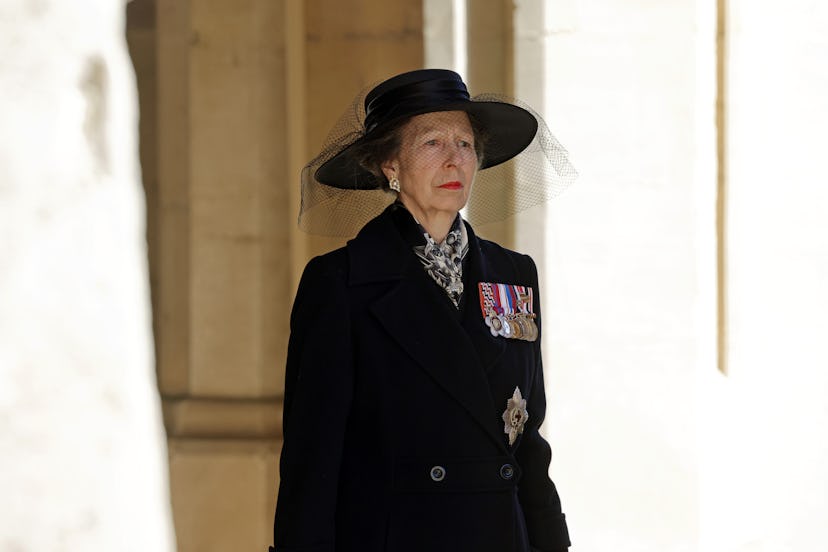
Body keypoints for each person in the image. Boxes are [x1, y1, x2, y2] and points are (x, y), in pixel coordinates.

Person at [268, 69, 575, 552]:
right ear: (389, 163)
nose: (455, 160)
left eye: (466, 144)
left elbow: (529, 446)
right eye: (432, 142)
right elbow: (313, 460)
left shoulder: (515, 274)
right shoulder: (340, 284)